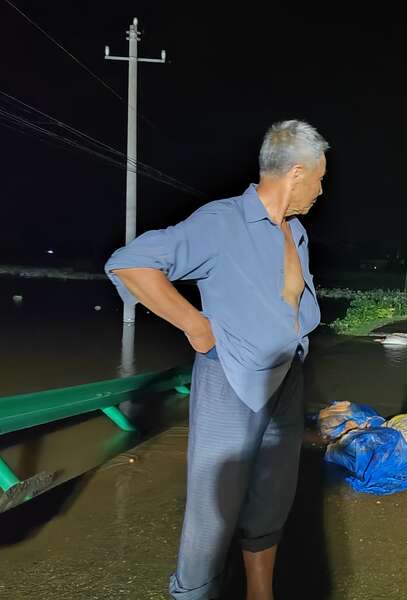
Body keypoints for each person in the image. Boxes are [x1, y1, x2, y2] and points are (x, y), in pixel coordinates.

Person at [104, 120, 328, 600]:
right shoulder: (222, 221)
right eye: (319, 178)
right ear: (296, 173)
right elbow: (130, 264)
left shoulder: (295, 231)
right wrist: (194, 324)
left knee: (273, 494)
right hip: (231, 378)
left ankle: (260, 593)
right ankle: (192, 593)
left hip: (286, 375)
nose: (320, 189)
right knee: (214, 505)